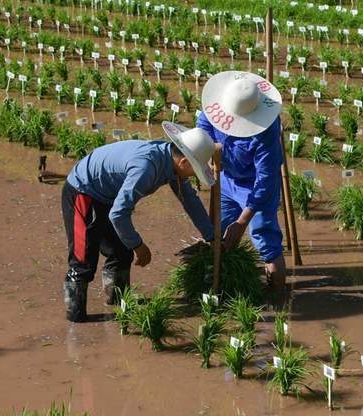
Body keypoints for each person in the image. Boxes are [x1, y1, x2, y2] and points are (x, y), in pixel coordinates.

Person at [61, 122, 216, 322]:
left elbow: (190, 201)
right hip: (83, 191)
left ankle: (118, 302)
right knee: (83, 259)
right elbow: (118, 214)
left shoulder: (171, 162)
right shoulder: (147, 167)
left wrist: (211, 236)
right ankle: (76, 320)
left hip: (109, 196)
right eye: (195, 169)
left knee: (120, 251)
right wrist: (139, 245)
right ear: (184, 162)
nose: (195, 174)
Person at [197, 71, 286, 298]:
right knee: (218, 233)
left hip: (255, 185)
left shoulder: (266, 130)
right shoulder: (217, 105)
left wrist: (242, 222)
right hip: (226, 178)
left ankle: (277, 298)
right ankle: (224, 283)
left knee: (264, 238)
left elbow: (265, 181)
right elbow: (203, 124)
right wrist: (208, 150)